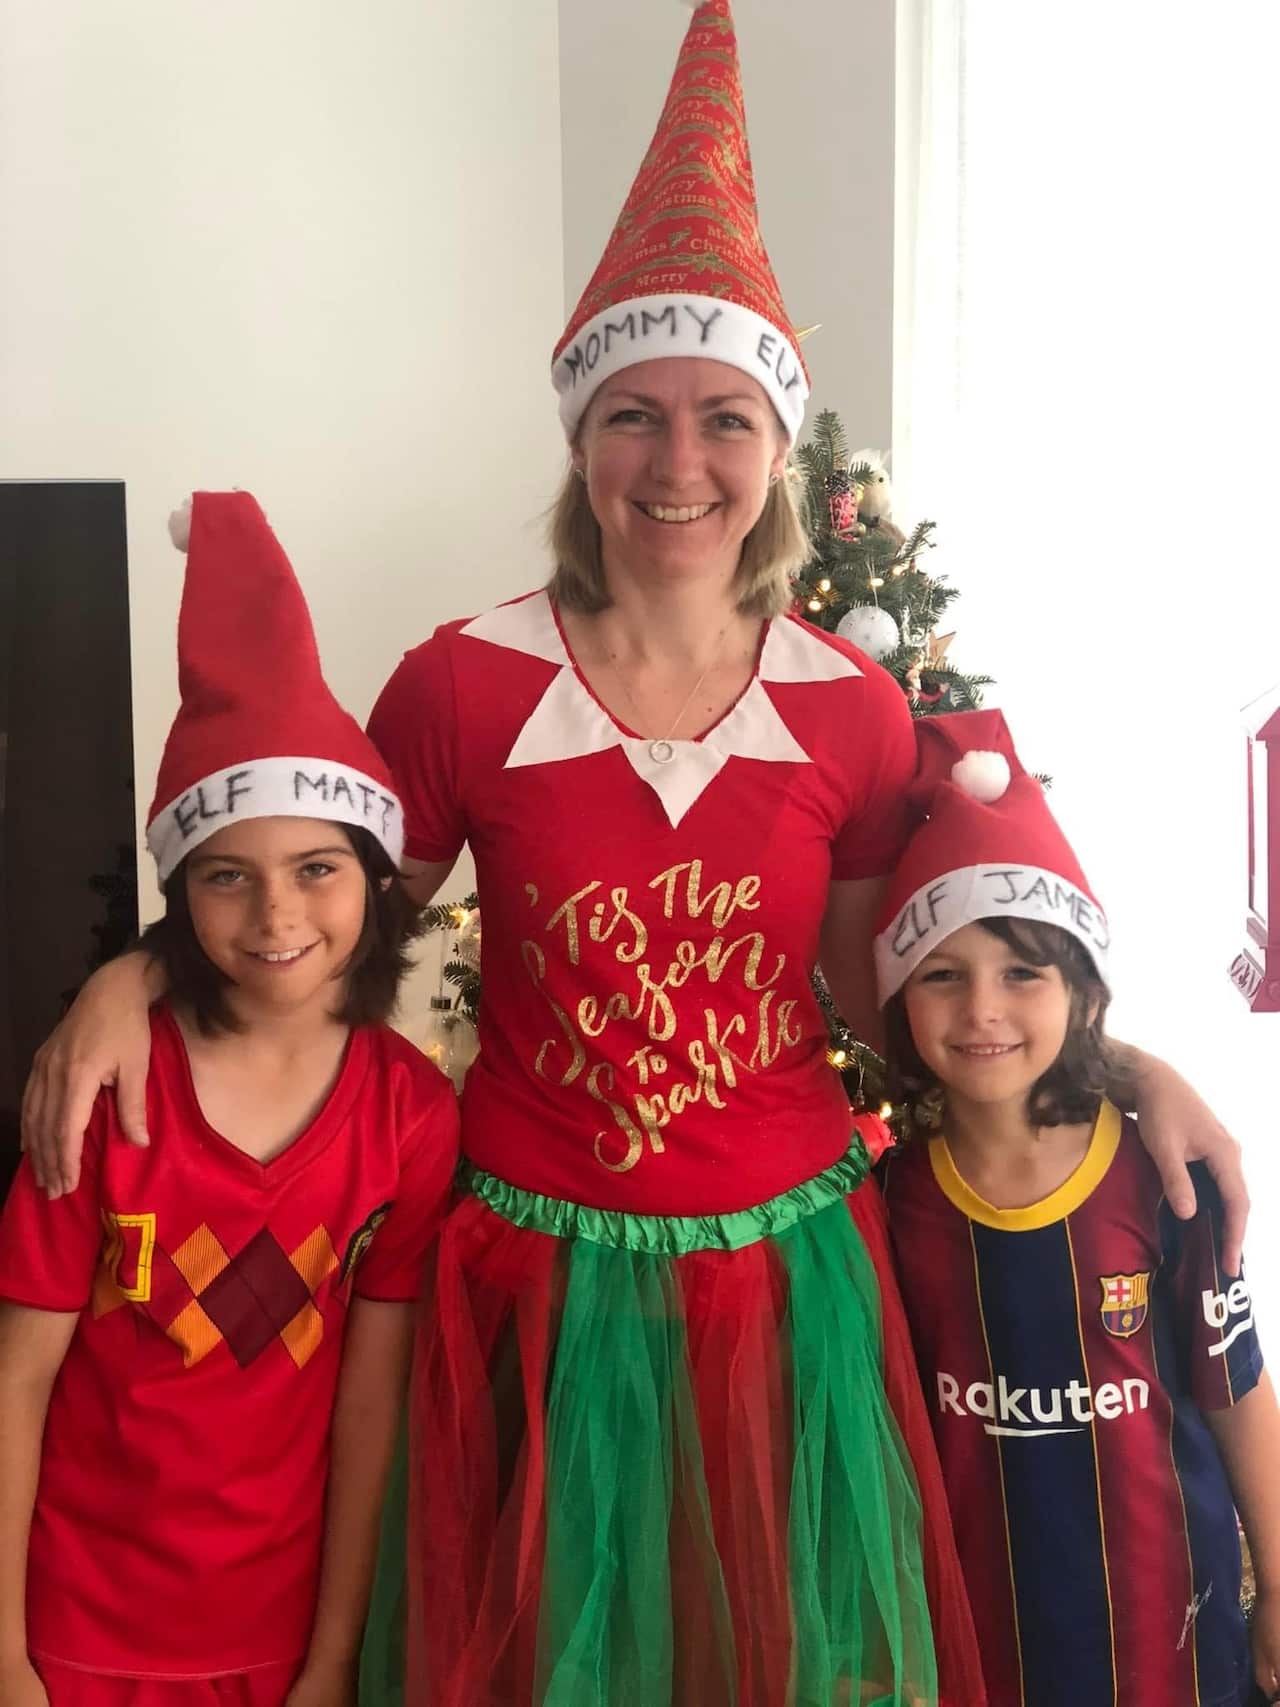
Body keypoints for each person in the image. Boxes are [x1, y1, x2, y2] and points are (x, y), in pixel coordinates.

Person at [16, 5, 1249, 1704]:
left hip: (783, 1297)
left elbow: (927, 988)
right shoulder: (462, 683)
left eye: (726, 418)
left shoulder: (858, 715)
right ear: (581, 443)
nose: (680, 463)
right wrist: (127, 971)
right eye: (637, 417)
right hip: (538, 1280)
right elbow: (297, 892)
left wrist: (1136, 1063)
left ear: (778, 454)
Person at [0, 493, 460, 1707]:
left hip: (283, 1638)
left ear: (375, 880)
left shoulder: (408, 1117)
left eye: (317, 870)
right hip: (76, 1633)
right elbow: (20, 1380)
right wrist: (4, 1658)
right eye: (227, 879)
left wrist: (333, 1653)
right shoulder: (103, 1094)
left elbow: (370, 1406)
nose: (276, 919)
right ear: (181, 894)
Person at [877, 710, 1280, 1707]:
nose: (981, 1009)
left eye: (1022, 972)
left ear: (1081, 993)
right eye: (941, 975)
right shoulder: (890, 1200)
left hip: (1168, 1642)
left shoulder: (1162, 1180)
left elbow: (1235, 1390)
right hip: (973, 1641)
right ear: (899, 999)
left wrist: (1274, 1581)